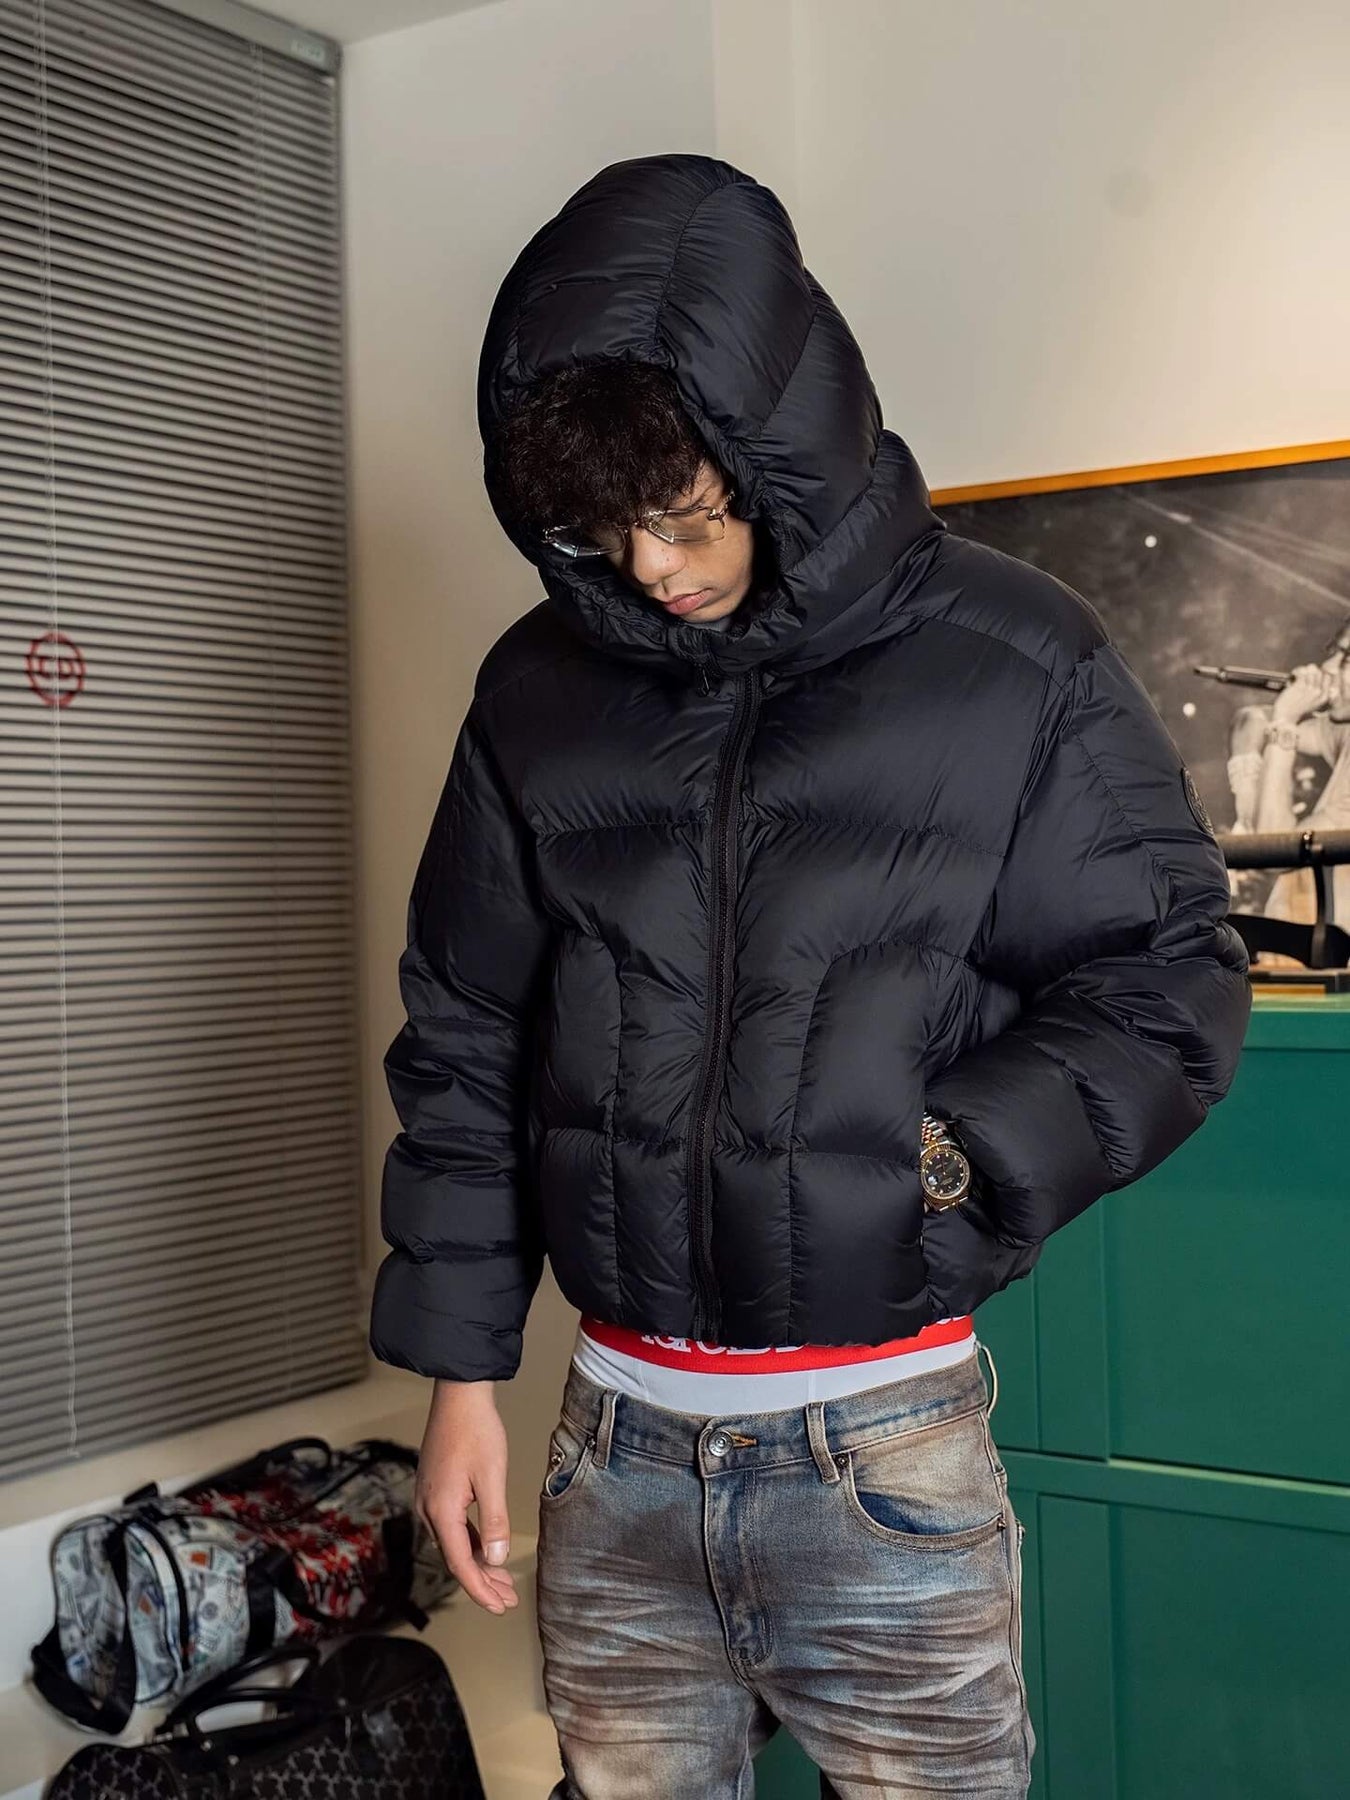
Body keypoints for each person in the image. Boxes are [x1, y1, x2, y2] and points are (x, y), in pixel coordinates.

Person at [369, 154, 1252, 1798]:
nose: (650, 566)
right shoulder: (535, 692)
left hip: (881, 1457)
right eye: (600, 527)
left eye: (685, 513)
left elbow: (1165, 976)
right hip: (611, 1452)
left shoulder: (1012, 657)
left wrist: (948, 1159)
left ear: (787, 451)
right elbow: (469, 1032)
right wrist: (461, 1376)